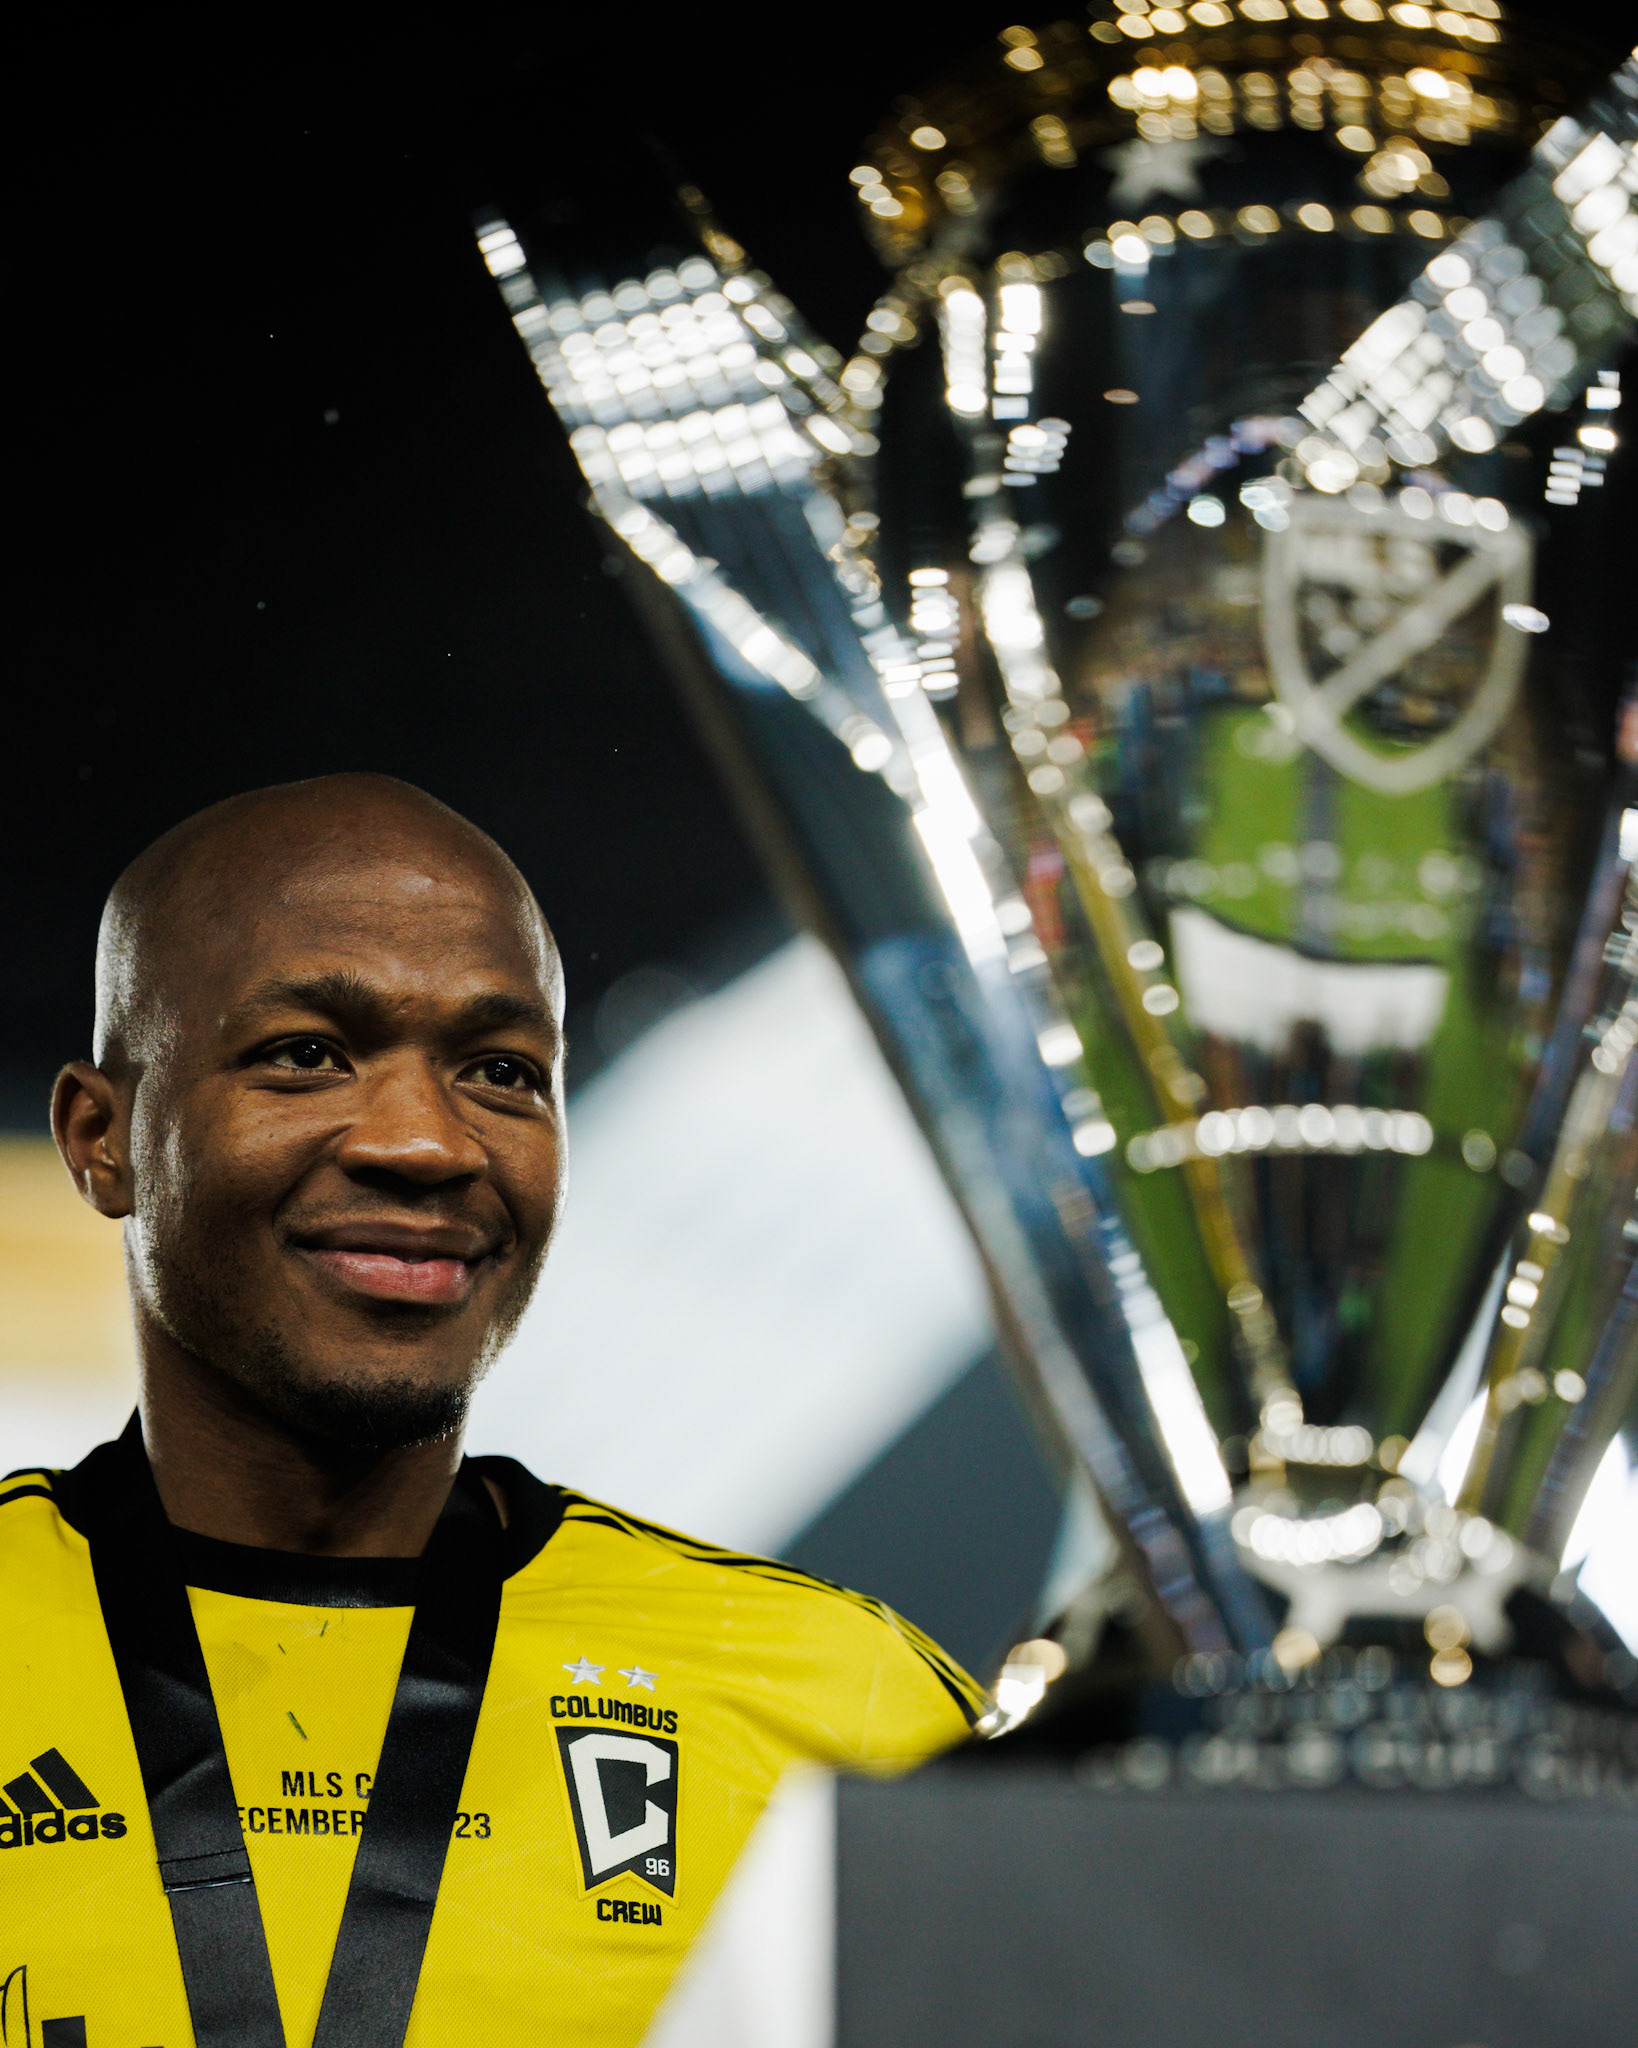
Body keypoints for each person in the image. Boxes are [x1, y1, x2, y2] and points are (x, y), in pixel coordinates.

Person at [0, 773, 983, 2047]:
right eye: (307, 1053)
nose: (428, 1142)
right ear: (102, 1135)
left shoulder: (846, 1708)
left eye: (502, 1070)